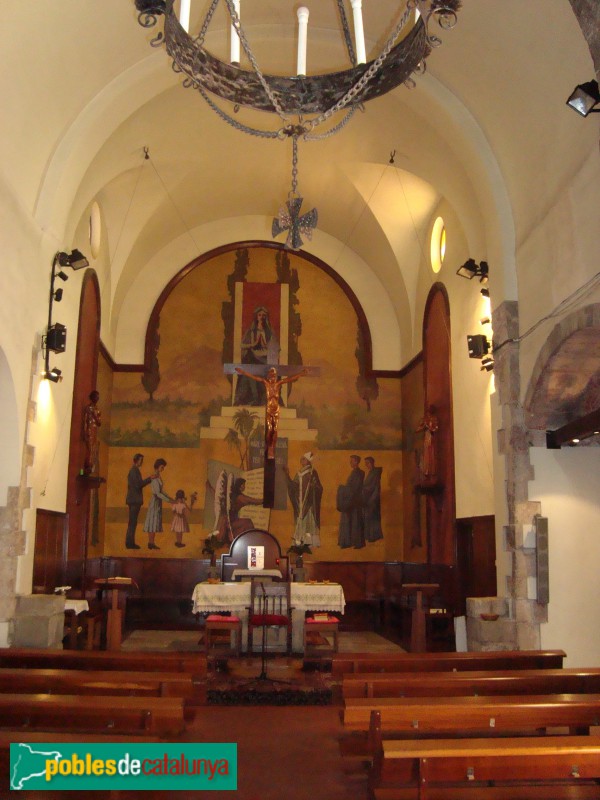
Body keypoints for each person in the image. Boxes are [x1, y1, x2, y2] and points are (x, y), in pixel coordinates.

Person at [235, 366, 308, 458]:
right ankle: (269, 447)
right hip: (269, 409)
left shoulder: (279, 384)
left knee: (275, 429)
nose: (273, 377)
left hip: (276, 409)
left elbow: (290, 379)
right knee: (270, 430)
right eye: (271, 375)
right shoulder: (266, 383)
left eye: (274, 375)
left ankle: (272, 448)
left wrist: (301, 374)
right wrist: (244, 372)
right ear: (268, 376)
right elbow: (255, 378)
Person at [234, 305, 279, 406]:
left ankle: (262, 399)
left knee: (271, 375)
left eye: (264, 315)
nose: (261, 317)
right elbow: (242, 345)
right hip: (252, 357)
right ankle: (250, 398)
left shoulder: (269, 332)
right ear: (256, 317)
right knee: (248, 374)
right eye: (259, 315)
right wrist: (253, 344)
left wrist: (269, 348)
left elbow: (276, 348)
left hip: (264, 358)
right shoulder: (251, 331)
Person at [283, 451, 323, 548]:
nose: (301, 460)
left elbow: (319, 488)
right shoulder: (299, 473)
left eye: (304, 458)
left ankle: (310, 542)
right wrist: (287, 475)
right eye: (301, 458)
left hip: (309, 504)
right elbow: (293, 487)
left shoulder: (313, 472)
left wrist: (313, 487)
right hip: (300, 502)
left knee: (309, 522)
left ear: (308, 461)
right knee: (301, 522)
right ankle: (300, 542)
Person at [143, 458, 174, 550]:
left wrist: (169, 498)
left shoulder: (158, 476)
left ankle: (151, 542)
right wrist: (169, 501)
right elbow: (157, 493)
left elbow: (162, 491)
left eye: (163, 467)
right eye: (162, 467)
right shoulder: (154, 476)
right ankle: (150, 543)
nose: (163, 469)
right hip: (155, 501)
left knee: (155, 522)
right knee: (152, 522)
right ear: (157, 466)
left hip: (158, 501)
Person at [337, 454, 365, 549]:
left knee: (355, 522)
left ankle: (356, 543)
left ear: (356, 462)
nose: (350, 462)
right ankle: (348, 542)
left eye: (352, 461)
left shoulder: (360, 473)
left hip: (355, 502)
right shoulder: (354, 472)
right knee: (348, 521)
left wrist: (343, 489)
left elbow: (355, 488)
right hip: (350, 500)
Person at [125, 453, 151, 549]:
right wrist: (150, 479)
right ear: (137, 460)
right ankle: (130, 543)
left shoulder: (135, 470)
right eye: (141, 460)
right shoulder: (134, 471)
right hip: (134, 500)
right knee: (132, 522)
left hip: (134, 500)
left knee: (133, 522)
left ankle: (130, 542)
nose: (142, 462)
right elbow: (139, 484)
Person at [362, 456, 384, 542]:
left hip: (373, 499)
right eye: (366, 463)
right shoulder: (371, 472)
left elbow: (374, 487)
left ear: (372, 463)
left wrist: (364, 489)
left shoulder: (375, 473)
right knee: (368, 517)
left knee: (373, 517)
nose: (366, 465)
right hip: (368, 499)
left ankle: (373, 536)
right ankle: (369, 536)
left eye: (367, 463)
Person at [416, 405, 439, 478]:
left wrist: (428, 426)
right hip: (427, 437)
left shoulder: (435, 419)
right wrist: (423, 426)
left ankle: (431, 471)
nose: (429, 413)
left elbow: (435, 428)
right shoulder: (426, 419)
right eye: (428, 411)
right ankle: (426, 471)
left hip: (432, 437)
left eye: (430, 411)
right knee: (426, 454)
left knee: (431, 453)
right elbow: (418, 429)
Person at [83, 390, 101, 475]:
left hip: (94, 430)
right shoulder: (88, 408)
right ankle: (87, 466)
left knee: (93, 449)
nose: (97, 398)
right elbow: (85, 421)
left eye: (98, 397)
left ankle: (90, 466)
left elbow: (99, 423)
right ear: (92, 397)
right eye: (96, 397)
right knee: (89, 449)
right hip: (89, 430)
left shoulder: (97, 410)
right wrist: (84, 431)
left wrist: (95, 415)